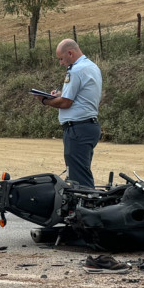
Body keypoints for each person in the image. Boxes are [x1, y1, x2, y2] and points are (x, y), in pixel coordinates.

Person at [41, 39, 103, 189]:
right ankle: (86, 206)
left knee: (79, 178)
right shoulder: (92, 67)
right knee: (82, 170)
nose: (61, 63)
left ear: (70, 53)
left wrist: (44, 100)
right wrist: (61, 95)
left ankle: (86, 209)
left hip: (77, 129)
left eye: (61, 59)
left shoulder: (75, 70)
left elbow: (65, 103)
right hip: (89, 126)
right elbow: (80, 96)